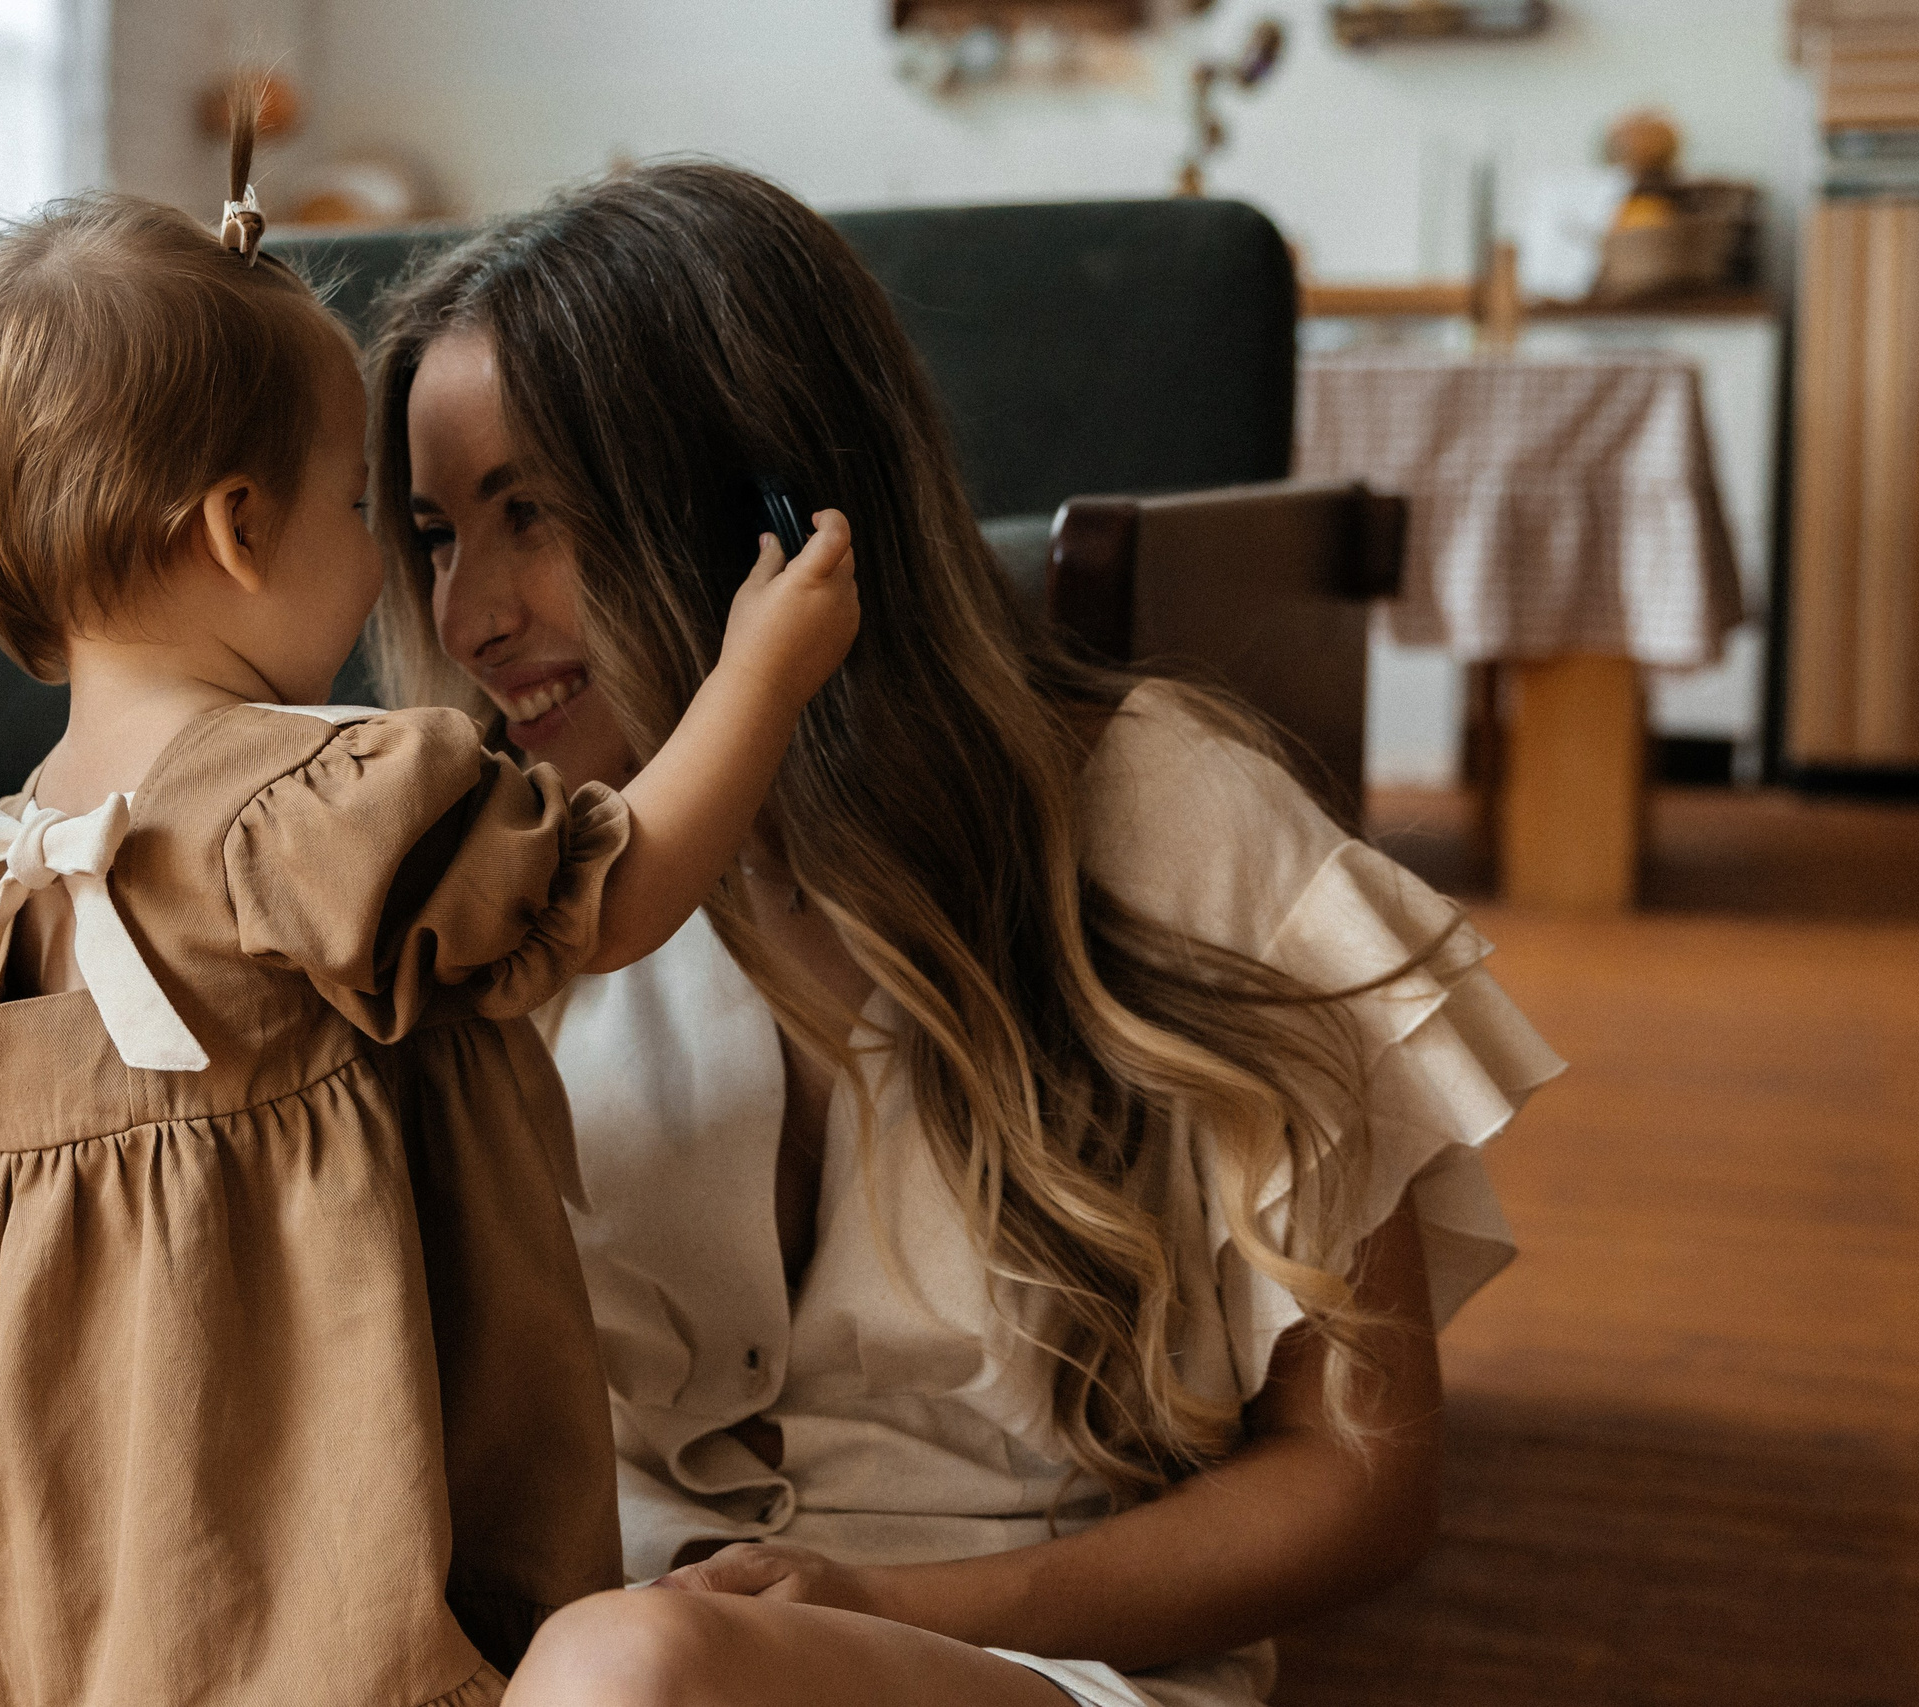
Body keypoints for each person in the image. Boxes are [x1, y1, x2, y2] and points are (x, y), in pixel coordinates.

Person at [365, 162, 1564, 1707]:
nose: (467, 619)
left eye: (528, 513)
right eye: (435, 533)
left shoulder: (1177, 828)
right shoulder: (504, 896)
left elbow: (1359, 1484)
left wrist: (888, 1605)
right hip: (570, 1652)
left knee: (640, 1667)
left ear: (763, 511)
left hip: (1016, 1662)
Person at [0, 123, 858, 1707]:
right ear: (242, 530)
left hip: (75, 1483)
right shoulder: (319, 804)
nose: (399, 572)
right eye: (368, 506)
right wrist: (760, 677)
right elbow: (611, 890)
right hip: (304, 1455)